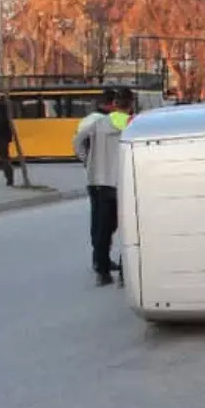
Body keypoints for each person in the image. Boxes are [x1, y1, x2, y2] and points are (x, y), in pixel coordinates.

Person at [74, 90, 132, 286]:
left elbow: (78, 141)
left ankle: (103, 271)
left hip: (98, 181)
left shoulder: (97, 123)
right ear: (130, 105)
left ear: (114, 104)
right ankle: (125, 273)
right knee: (127, 228)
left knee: (101, 229)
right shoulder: (132, 124)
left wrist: (86, 159)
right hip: (123, 182)